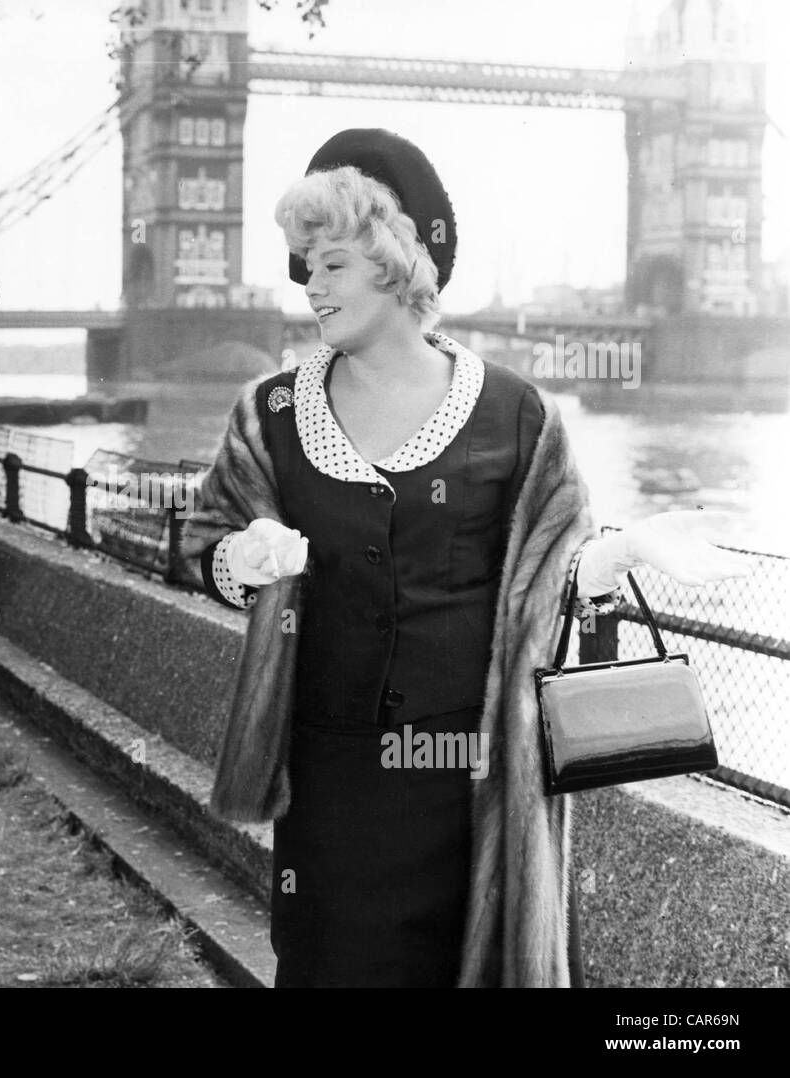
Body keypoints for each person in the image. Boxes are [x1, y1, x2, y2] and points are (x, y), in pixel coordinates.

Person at [180, 129, 751, 988]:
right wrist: (240, 560)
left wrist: (619, 554)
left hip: (474, 788)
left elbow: (549, 575)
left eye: (331, 264)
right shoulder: (269, 414)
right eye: (304, 266)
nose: (309, 288)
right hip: (329, 791)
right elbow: (195, 543)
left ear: (397, 260)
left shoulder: (515, 415)